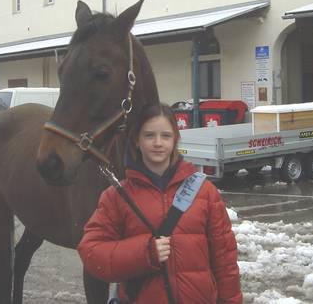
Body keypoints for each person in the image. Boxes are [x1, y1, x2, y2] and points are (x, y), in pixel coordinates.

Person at [77, 103, 242, 303]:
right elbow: (91, 252)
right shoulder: (116, 197)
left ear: (175, 140)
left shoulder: (204, 192)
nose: (158, 143)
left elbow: (225, 262)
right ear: (137, 141)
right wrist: (144, 253)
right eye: (149, 135)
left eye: (166, 136)